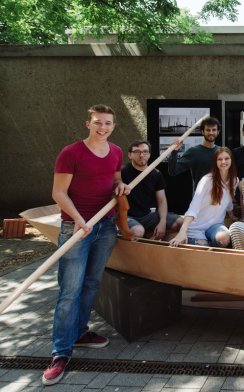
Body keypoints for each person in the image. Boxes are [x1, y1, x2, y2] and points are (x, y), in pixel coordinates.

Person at [43, 104, 130, 386]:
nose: (102, 127)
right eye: (97, 123)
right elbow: (58, 192)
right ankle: (60, 352)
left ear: (113, 126)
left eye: (107, 123)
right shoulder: (71, 153)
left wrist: (121, 188)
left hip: (105, 227)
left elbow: (116, 180)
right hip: (75, 228)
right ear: (88, 124)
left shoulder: (116, 152)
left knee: (92, 283)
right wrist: (80, 221)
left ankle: (79, 332)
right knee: (70, 291)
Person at [169, 147, 238, 247]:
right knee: (203, 250)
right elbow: (194, 207)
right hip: (197, 226)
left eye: (227, 158)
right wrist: (182, 231)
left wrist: (231, 215)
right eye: (219, 159)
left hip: (215, 225)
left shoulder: (234, 180)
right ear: (215, 162)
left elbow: (228, 200)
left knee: (224, 238)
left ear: (231, 160)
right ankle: (183, 237)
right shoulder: (206, 180)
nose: (223, 162)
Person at [122, 140, 183, 239]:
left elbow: (162, 201)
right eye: (137, 152)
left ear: (149, 154)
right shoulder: (122, 172)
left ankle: (153, 236)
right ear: (130, 155)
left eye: (145, 152)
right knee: (138, 232)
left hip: (148, 216)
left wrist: (162, 222)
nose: (141, 155)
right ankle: (144, 235)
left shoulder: (156, 174)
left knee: (181, 223)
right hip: (128, 217)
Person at [168, 116, 221, 191]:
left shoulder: (221, 152)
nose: (211, 132)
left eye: (214, 130)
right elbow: (173, 171)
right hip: (200, 198)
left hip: (219, 197)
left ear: (218, 132)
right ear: (202, 132)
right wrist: (174, 152)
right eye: (208, 130)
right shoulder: (194, 152)